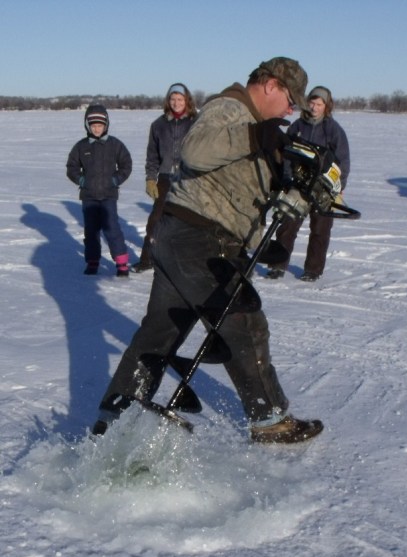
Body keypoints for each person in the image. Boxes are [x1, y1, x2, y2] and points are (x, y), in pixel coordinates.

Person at [91, 57, 324, 444]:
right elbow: (195, 151)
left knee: (160, 333)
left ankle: (112, 422)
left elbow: (243, 183)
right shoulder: (229, 108)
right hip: (201, 238)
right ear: (270, 85)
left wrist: (296, 191)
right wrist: (256, 138)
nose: (291, 109)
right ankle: (270, 421)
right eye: (289, 98)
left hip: (185, 236)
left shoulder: (255, 127)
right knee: (244, 322)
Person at [266, 85, 350, 281]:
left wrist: (339, 186)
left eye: (319, 104)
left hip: (323, 188)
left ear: (326, 106)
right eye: (312, 103)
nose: (314, 107)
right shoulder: (297, 126)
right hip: (299, 184)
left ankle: (313, 270)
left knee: (320, 230)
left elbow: (343, 161)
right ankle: (278, 265)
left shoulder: (334, 130)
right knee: (287, 226)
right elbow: (287, 154)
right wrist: (287, 178)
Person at [132, 83, 198, 273]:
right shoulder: (158, 125)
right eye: (173, 99)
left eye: (180, 99)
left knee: (189, 221)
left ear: (187, 101)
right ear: (168, 101)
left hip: (189, 179)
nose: (176, 103)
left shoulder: (196, 123)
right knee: (156, 220)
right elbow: (152, 156)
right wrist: (150, 179)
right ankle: (147, 259)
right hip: (166, 178)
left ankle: (188, 262)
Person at [66, 104, 133, 276]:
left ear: (106, 125)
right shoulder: (81, 146)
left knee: (112, 228)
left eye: (100, 125)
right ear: (87, 126)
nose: (97, 129)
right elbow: (71, 167)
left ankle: (122, 263)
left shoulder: (114, 144)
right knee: (91, 231)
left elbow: (126, 164)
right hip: (89, 196)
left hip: (108, 196)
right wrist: (81, 179)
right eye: (93, 125)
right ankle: (93, 261)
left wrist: (115, 179)